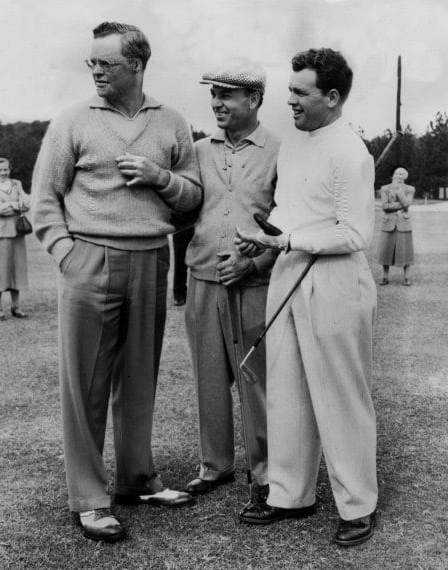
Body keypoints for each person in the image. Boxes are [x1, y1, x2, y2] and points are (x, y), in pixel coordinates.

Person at [32, 21, 202, 542]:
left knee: (140, 377)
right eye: (93, 63)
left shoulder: (171, 121)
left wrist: (162, 179)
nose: (97, 71)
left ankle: (138, 478)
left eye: (107, 63)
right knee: (85, 383)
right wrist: (68, 254)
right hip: (90, 261)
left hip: (152, 259)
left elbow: (193, 196)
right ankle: (89, 497)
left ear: (137, 65)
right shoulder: (71, 122)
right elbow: (44, 200)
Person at [235, 48, 378, 547]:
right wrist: (271, 233)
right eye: (289, 90)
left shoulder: (351, 152)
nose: (289, 101)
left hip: (336, 278)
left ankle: (357, 504)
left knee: (339, 393)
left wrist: (290, 240)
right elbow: (291, 208)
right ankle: (289, 495)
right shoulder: (295, 145)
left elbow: (355, 233)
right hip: (290, 268)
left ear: (332, 97)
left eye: (301, 92)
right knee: (288, 386)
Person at [184, 64, 280, 515]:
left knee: (255, 377)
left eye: (228, 95)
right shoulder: (197, 149)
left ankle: (263, 470)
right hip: (203, 276)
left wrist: (253, 260)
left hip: (255, 281)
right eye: (214, 95)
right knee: (208, 375)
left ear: (255, 99)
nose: (218, 103)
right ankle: (214, 465)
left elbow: (289, 224)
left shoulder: (280, 149)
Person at [0, 158, 30, 321]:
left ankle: (16, 306)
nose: (3, 173)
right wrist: (16, 205)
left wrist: (9, 205)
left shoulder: (16, 184)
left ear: (10, 169)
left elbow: (27, 204)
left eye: (5, 169)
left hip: (17, 232)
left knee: (17, 270)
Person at [378, 166, 415, 286]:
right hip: (388, 223)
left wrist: (399, 192)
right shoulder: (385, 188)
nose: (398, 175)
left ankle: (406, 277)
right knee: (386, 251)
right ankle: (385, 277)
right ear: (393, 175)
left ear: (405, 177)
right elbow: (385, 206)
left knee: (406, 251)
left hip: (404, 223)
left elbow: (407, 204)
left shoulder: (410, 189)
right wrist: (401, 206)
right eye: (396, 173)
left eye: (401, 174)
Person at [172, 226, 194, 305]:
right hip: (181, 225)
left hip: (200, 223)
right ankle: (179, 295)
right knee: (180, 261)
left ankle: (199, 293)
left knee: (200, 261)